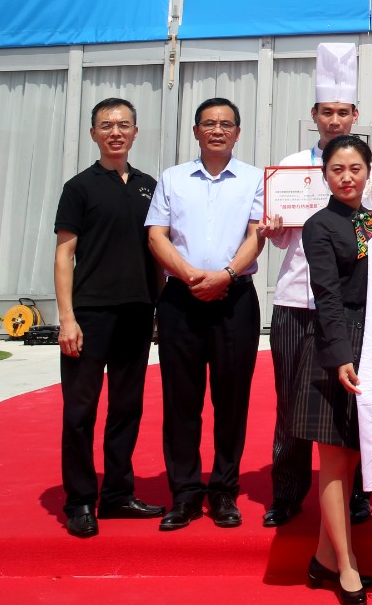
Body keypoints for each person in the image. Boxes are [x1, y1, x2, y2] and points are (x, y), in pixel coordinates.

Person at [263, 43, 372, 529]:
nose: (335, 120)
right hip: (297, 300)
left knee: (352, 402)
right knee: (291, 403)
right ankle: (287, 492)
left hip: (354, 308)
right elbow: (282, 238)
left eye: (343, 112)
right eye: (327, 112)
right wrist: (272, 227)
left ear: (355, 114)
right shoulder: (291, 164)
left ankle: (355, 493)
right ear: (314, 115)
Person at [145, 97, 266, 532]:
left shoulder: (255, 178)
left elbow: (257, 234)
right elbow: (156, 236)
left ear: (238, 132)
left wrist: (225, 275)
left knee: (231, 401)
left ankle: (224, 491)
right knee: (181, 401)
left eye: (226, 124)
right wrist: (191, 275)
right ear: (196, 131)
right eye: (209, 123)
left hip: (235, 300)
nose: (217, 130)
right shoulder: (172, 178)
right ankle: (184, 494)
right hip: (182, 300)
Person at [53, 97, 164, 537]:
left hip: (137, 312)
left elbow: (157, 252)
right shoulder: (79, 187)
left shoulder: (149, 186)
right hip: (90, 314)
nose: (115, 132)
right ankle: (80, 500)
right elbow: (64, 255)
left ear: (135, 132)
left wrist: (160, 308)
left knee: (127, 407)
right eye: (106, 125)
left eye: (123, 125)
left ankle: (118, 493)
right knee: (80, 411)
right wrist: (67, 318)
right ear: (93, 133)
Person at [301, 135, 372, 604]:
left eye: (355, 168)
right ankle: (347, 565)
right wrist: (340, 355)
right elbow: (327, 296)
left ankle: (323, 558)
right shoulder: (319, 225)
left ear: (368, 172)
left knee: (353, 455)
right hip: (338, 346)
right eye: (337, 169)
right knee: (334, 458)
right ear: (325, 175)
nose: (347, 177)